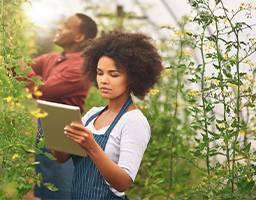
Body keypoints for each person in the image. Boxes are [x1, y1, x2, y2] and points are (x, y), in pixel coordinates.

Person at [51, 29, 164, 199]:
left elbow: (123, 182)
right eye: (99, 73)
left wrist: (91, 146)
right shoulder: (92, 115)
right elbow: (61, 158)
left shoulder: (134, 121)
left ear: (132, 77)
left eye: (113, 74)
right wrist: (60, 136)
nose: (104, 80)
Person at [18, 13, 97, 200]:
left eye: (67, 26)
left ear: (79, 37)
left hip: (65, 131)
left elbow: (41, 90)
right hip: (44, 126)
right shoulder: (53, 58)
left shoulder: (81, 67)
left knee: (60, 190)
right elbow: (23, 69)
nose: (60, 28)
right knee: (46, 185)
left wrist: (13, 54)